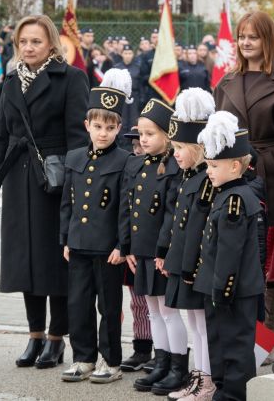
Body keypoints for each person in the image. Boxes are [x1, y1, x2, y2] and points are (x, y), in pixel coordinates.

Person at [0, 14, 89, 370]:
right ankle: (35, 335)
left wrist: (77, 186)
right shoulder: (11, 80)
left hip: (53, 181)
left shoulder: (71, 78)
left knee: (54, 261)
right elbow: (1, 138)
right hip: (17, 180)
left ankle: (57, 339)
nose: (28, 48)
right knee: (25, 262)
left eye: (36, 42)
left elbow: (79, 138)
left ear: (51, 44)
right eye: (23, 42)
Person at [213, 11, 274, 364]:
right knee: (240, 258)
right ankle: (240, 339)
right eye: (242, 36)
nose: (246, 42)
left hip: (273, 177)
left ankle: (266, 343)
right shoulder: (227, 81)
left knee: (272, 267)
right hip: (235, 178)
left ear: (268, 40)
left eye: (254, 36)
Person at [59, 70, 133, 384]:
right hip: (77, 244)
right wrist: (65, 238)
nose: (103, 133)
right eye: (98, 126)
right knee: (78, 303)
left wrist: (122, 244)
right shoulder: (74, 158)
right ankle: (83, 358)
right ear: (87, 125)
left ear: (119, 128)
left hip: (107, 249)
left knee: (109, 305)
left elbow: (126, 209)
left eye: (110, 127)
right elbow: (67, 203)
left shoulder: (125, 161)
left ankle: (111, 360)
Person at [194, 111, 264, 401]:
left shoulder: (235, 200)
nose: (208, 171)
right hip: (221, 286)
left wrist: (222, 289)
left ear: (236, 166)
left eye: (213, 165)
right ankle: (223, 389)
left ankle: (235, 394)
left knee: (235, 345)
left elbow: (229, 251)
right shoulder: (225, 193)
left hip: (232, 289)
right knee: (219, 341)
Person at [119, 99, 187, 396]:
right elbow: (126, 207)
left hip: (161, 254)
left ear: (168, 136)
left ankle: (178, 367)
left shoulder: (173, 167)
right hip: (140, 251)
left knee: (169, 311)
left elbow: (172, 215)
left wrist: (163, 251)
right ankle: (160, 362)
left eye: (150, 134)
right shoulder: (135, 164)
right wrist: (127, 247)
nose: (143, 139)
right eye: (141, 134)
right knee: (152, 311)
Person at [161, 88, 217, 401]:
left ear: (198, 147)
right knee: (195, 325)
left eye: (181, 147)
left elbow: (201, 228)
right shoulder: (187, 176)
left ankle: (207, 382)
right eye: (175, 147)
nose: (176, 154)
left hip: (196, 266)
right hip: (184, 263)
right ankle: (198, 376)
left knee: (203, 326)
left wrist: (191, 265)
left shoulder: (206, 180)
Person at [120, 122, 155, 373]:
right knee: (138, 302)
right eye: (134, 145)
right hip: (132, 246)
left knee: (158, 305)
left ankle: (165, 354)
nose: (139, 148)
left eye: (143, 142)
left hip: (153, 247)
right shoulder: (130, 169)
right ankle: (142, 349)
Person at [114, 44, 141, 142]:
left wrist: (141, 97)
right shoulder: (117, 67)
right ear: (122, 54)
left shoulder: (137, 67)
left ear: (133, 54)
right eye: (125, 53)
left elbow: (141, 83)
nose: (128, 55)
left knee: (134, 118)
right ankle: (122, 139)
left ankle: (133, 139)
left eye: (130, 53)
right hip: (121, 95)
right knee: (122, 117)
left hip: (134, 94)